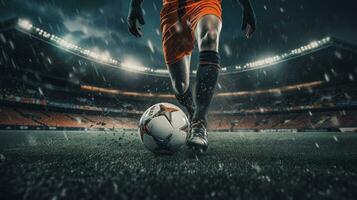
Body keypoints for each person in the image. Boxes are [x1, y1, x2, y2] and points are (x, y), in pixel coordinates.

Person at [127, 0, 256, 153]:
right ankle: (191, 110)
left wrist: (246, 6)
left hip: (205, 2)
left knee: (211, 36)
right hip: (172, 8)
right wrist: (135, 4)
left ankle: (199, 122)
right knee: (180, 85)